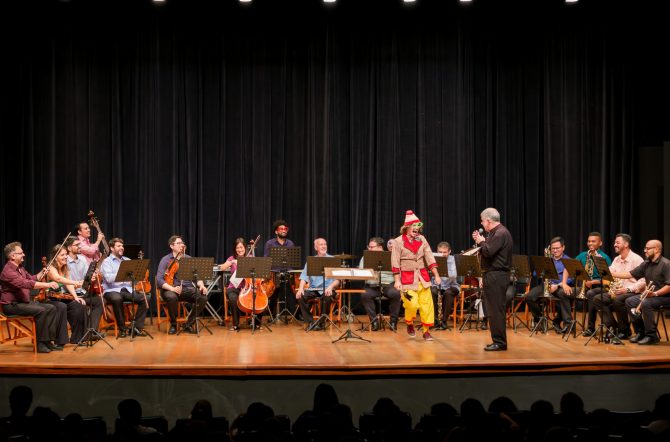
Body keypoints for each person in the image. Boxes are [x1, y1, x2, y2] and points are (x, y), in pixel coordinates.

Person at [0, 242, 62, 353]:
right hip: (11, 306)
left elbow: (32, 278)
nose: (23, 254)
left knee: (51, 308)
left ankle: (48, 341)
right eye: (21, 253)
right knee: (41, 310)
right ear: (12, 256)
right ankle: (40, 343)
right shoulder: (8, 271)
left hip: (22, 303)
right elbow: (26, 283)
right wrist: (48, 284)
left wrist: (41, 272)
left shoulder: (20, 268)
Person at [391, 210, 441, 341]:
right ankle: (409, 323)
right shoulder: (397, 241)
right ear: (407, 227)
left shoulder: (422, 239)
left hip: (422, 277)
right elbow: (395, 261)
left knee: (427, 305)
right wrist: (397, 280)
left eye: (418, 227)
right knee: (412, 304)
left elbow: (429, 257)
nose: (416, 229)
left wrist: (436, 275)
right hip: (407, 279)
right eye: (414, 226)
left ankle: (426, 331)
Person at [613, 239, 670, 345]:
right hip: (651, 296)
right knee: (630, 301)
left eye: (647, 248)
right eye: (645, 248)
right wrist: (611, 274)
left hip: (664, 297)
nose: (645, 251)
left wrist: (655, 294)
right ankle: (641, 332)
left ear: (657, 249)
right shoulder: (647, 263)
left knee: (646, 303)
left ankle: (652, 336)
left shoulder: (666, 264)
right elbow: (630, 274)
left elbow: (669, 286)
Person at [472, 207, 513, 351]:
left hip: (497, 276)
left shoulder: (500, 233)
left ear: (488, 221)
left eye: (483, 221)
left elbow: (488, 251)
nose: (482, 224)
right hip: (492, 275)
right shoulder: (496, 233)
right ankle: (497, 340)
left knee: (496, 310)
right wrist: (481, 242)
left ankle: (500, 342)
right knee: (492, 309)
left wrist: (482, 242)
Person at [592, 233, 645, 340]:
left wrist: (627, 289)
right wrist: (601, 265)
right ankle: (613, 326)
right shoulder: (616, 259)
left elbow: (643, 281)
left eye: (617, 242)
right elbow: (608, 273)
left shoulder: (636, 259)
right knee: (598, 299)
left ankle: (624, 330)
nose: (614, 244)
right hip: (619, 290)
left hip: (633, 291)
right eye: (615, 242)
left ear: (626, 244)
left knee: (618, 300)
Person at [156, 235, 208, 334]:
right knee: (171, 297)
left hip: (187, 288)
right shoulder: (166, 260)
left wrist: (201, 285)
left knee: (203, 297)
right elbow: (159, 279)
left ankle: (188, 324)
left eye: (182, 243)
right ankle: (174, 325)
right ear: (172, 246)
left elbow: (197, 277)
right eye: (179, 243)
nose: (182, 245)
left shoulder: (188, 258)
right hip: (170, 289)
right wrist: (172, 288)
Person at [100, 237, 149, 337]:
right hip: (111, 290)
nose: (122, 248)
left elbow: (134, 279)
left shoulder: (127, 260)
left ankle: (135, 328)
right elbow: (108, 279)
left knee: (145, 298)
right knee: (117, 298)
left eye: (122, 246)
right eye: (118, 246)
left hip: (127, 289)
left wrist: (138, 275)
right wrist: (122, 273)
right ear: (112, 248)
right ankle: (122, 329)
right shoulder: (106, 262)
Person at [524, 237, 574, 333]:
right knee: (529, 297)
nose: (555, 251)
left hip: (559, 287)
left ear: (563, 247)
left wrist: (558, 285)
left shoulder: (568, 260)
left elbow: (571, 279)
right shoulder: (547, 259)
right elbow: (535, 274)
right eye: (553, 248)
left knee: (563, 295)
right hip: (546, 286)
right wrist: (543, 264)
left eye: (557, 248)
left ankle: (558, 321)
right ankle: (540, 319)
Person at [45, 244, 88, 344]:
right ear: (55, 257)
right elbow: (58, 279)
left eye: (66, 254)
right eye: (62, 255)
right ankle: (60, 341)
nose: (65, 257)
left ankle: (77, 338)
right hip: (51, 299)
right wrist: (76, 282)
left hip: (62, 297)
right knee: (61, 306)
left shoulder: (65, 267)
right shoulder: (50, 267)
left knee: (78, 305)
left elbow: (68, 284)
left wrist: (76, 297)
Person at [295, 238, 340, 331]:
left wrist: (330, 287)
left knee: (327, 297)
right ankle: (310, 321)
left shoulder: (333, 260)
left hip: (328, 289)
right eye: (321, 244)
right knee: (300, 296)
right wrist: (300, 288)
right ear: (316, 247)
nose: (324, 246)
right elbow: (304, 277)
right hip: (314, 289)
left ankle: (321, 323)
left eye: (325, 244)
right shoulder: (311, 261)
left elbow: (338, 279)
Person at [574, 232, 612, 337]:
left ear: (600, 243)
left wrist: (593, 282)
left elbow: (608, 278)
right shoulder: (583, 255)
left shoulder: (604, 257)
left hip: (600, 287)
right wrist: (564, 283)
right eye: (589, 241)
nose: (590, 243)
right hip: (585, 286)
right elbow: (570, 266)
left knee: (591, 294)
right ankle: (567, 323)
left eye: (593, 241)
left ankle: (590, 327)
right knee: (564, 293)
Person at [65, 235, 105, 337]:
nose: (80, 247)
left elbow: (87, 277)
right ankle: (84, 333)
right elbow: (66, 282)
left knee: (100, 301)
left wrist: (92, 277)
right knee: (80, 305)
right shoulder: (65, 261)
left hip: (83, 292)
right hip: (71, 294)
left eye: (80, 244)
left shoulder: (82, 258)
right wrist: (80, 283)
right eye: (77, 245)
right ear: (69, 248)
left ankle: (91, 331)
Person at [359, 237, 400, 331]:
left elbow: (396, 271)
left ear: (380, 247)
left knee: (396, 294)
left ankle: (393, 321)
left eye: (371, 247)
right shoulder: (365, 257)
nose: (369, 249)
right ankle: (374, 321)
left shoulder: (391, 256)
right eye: (368, 246)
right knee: (365, 295)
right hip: (372, 285)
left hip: (387, 284)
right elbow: (361, 271)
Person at [263, 219, 298, 320]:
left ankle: (294, 313)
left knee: (294, 288)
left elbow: (293, 261)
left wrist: (291, 271)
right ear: (276, 231)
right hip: (275, 272)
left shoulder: (290, 243)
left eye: (285, 229)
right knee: (274, 289)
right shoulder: (270, 243)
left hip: (288, 272)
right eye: (281, 228)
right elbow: (266, 259)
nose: (284, 230)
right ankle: (272, 314)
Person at [219, 238, 250, 331]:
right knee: (233, 298)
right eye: (237, 248)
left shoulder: (250, 257)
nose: (239, 250)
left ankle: (256, 323)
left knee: (257, 296)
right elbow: (222, 268)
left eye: (241, 247)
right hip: (234, 287)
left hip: (247, 287)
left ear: (245, 247)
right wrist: (232, 262)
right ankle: (236, 324)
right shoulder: (231, 258)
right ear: (235, 249)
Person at [431, 242, 460, 330]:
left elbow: (454, 275)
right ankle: (435, 320)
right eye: (440, 252)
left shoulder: (453, 260)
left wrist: (442, 270)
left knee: (448, 293)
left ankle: (444, 321)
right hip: (436, 284)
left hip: (451, 285)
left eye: (445, 252)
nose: (442, 254)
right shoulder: (433, 259)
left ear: (449, 251)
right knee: (432, 291)